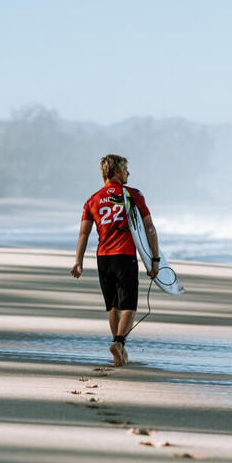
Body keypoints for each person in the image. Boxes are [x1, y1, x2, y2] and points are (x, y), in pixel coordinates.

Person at [70, 154, 160, 366]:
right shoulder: (133, 195)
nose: (128, 173)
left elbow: (83, 235)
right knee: (129, 306)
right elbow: (149, 228)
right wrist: (154, 259)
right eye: (126, 169)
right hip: (125, 255)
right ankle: (119, 344)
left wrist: (78, 261)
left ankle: (118, 346)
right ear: (117, 172)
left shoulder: (92, 200)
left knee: (113, 307)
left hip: (103, 258)